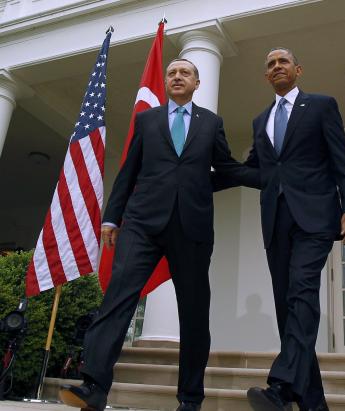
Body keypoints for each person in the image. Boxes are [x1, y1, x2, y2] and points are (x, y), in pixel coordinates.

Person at [59, 58, 258, 411]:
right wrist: (112, 217)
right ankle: (94, 386)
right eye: (172, 73)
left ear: (197, 83)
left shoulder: (211, 123)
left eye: (185, 73)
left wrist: (265, 175)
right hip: (141, 224)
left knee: (194, 314)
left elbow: (226, 169)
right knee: (117, 298)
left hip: (192, 228)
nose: (177, 76)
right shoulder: (147, 120)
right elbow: (129, 170)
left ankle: (190, 400)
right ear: (166, 82)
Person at [214, 47, 345, 411]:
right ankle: (313, 405)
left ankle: (281, 387)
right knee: (287, 307)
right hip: (276, 222)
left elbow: (341, 158)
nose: (277, 66)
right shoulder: (260, 121)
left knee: (301, 292)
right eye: (270, 64)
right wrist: (203, 177)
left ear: (298, 69)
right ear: (267, 76)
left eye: (283, 61)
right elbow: (257, 172)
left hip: (315, 217)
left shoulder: (321, 106)